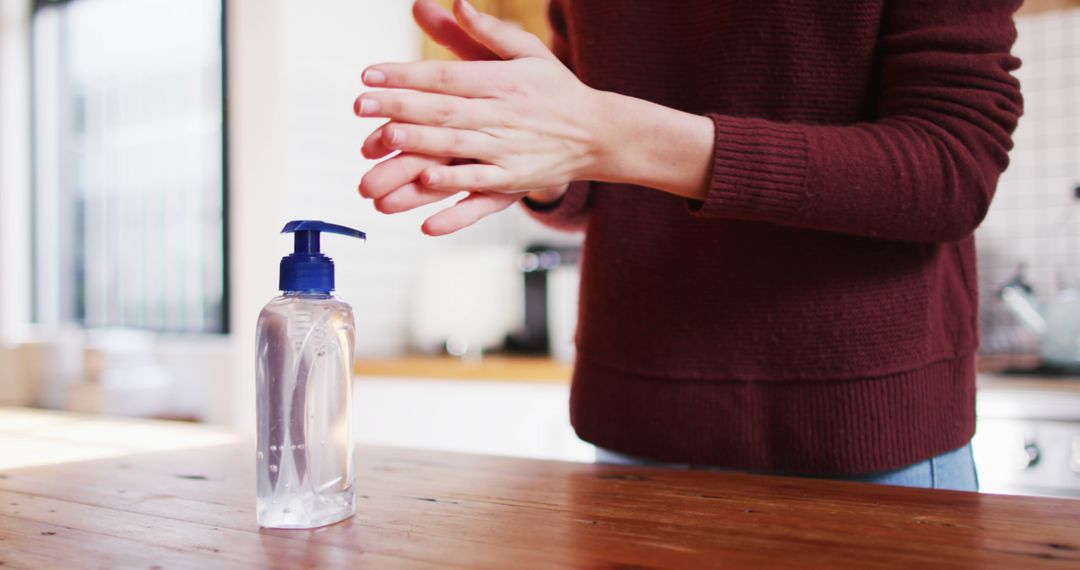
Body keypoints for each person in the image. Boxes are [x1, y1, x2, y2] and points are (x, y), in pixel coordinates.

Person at [353, 0, 1023, 490]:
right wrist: (548, 163)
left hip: (866, 440)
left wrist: (612, 133)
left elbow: (952, 166)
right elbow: (600, 169)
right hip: (633, 430)